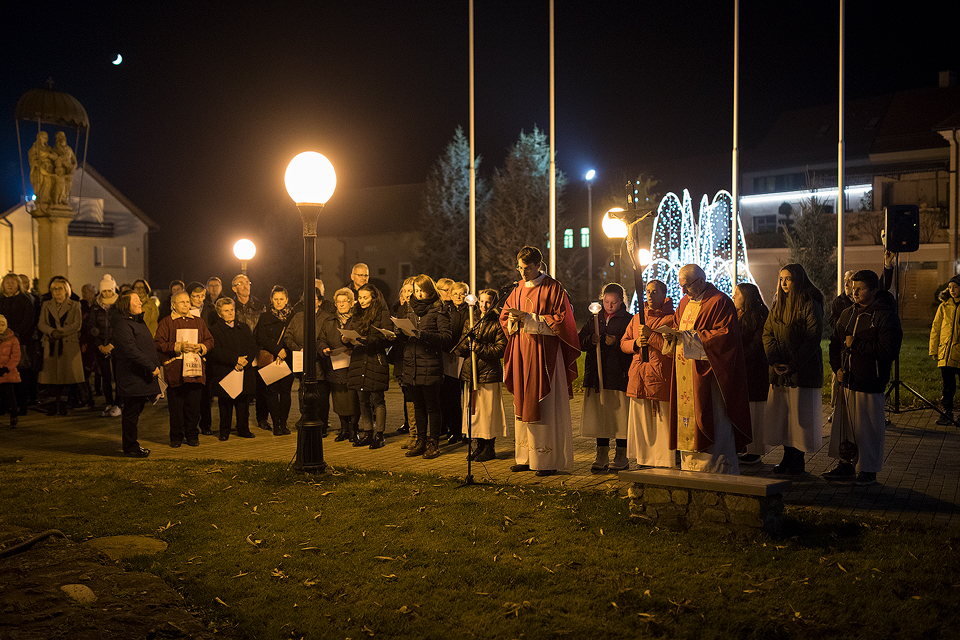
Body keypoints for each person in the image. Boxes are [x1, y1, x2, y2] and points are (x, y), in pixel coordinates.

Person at [500, 246, 580, 477]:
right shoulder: (517, 289)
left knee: (544, 405)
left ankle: (546, 459)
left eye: (527, 268)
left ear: (538, 266)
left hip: (544, 356)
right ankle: (525, 457)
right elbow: (505, 316)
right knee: (523, 403)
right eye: (520, 268)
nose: (522, 273)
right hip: (521, 354)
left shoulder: (553, 288)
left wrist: (531, 320)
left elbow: (563, 321)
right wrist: (513, 321)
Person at [668, 264, 752, 474]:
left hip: (710, 374)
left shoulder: (720, 301)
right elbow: (678, 328)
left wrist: (690, 338)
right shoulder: (684, 303)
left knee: (712, 416)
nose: (684, 291)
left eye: (687, 286)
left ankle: (718, 467)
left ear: (701, 280)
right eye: (681, 287)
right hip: (685, 370)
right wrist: (670, 336)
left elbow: (726, 337)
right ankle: (690, 465)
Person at [826, 269, 902, 486]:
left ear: (873, 290)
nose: (854, 292)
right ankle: (846, 464)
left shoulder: (885, 316)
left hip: (870, 382)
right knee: (846, 428)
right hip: (848, 381)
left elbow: (888, 352)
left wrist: (857, 344)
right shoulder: (847, 314)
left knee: (868, 430)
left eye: (859, 288)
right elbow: (835, 344)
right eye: (852, 287)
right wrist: (837, 367)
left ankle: (868, 470)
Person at [762, 264, 825, 475]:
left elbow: (812, 337)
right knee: (784, 416)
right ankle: (787, 455)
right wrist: (774, 360)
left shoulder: (809, 302)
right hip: (781, 371)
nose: (784, 283)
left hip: (802, 371)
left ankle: (798, 459)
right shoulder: (778, 304)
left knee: (800, 417)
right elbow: (768, 332)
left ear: (798, 279)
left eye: (788, 278)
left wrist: (793, 364)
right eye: (781, 279)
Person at [621, 279, 676, 469]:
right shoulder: (637, 318)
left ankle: (662, 458)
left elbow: (671, 349)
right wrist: (636, 343)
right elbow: (624, 343)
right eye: (648, 292)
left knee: (661, 421)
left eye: (655, 292)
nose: (650, 296)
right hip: (639, 374)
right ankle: (643, 458)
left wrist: (651, 336)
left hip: (659, 375)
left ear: (664, 295)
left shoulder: (671, 319)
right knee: (642, 421)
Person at [579, 283, 633, 472]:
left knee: (619, 416)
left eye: (614, 302)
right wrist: (590, 340)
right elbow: (580, 341)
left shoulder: (628, 320)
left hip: (618, 375)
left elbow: (632, 346)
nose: (609, 306)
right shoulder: (595, 319)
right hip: (597, 375)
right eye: (606, 302)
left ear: (621, 302)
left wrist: (617, 342)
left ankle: (621, 454)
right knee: (601, 416)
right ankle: (601, 454)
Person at [396, 275, 451, 458]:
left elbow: (446, 338)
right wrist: (400, 332)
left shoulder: (439, 309)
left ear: (429, 289)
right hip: (412, 364)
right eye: (416, 290)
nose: (418, 294)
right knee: (418, 406)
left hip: (430, 363)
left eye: (421, 290)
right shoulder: (409, 308)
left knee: (432, 406)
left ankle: (433, 442)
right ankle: (420, 440)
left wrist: (424, 335)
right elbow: (407, 334)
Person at [155, 291, 214, 447]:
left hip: (195, 370)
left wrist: (201, 347)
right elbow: (158, 343)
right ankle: (176, 437)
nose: (186, 304)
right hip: (175, 370)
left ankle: (192, 435)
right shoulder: (167, 322)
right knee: (176, 407)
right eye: (182, 302)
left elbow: (209, 340)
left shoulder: (199, 322)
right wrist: (176, 346)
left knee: (193, 406)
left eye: (188, 302)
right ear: (173, 305)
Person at [456, 289, 506, 462]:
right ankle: (478, 444)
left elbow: (500, 349)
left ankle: (489, 447)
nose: (484, 305)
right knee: (474, 411)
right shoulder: (471, 319)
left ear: (494, 303)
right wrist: (464, 346)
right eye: (482, 301)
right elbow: (464, 342)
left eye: (488, 302)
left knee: (487, 412)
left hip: (488, 373)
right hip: (471, 372)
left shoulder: (498, 322)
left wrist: (477, 346)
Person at [111, 291, 161, 458]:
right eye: (137, 301)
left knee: (135, 411)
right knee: (131, 412)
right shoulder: (122, 325)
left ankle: (131, 444)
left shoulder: (137, 321)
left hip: (141, 375)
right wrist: (150, 366)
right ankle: (131, 446)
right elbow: (130, 350)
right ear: (126, 305)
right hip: (133, 376)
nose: (140, 303)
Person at [345, 283, 394, 449]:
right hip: (359, 359)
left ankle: (379, 434)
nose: (362, 301)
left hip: (375, 358)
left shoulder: (382, 312)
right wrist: (344, 338)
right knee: (362, 398)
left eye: (365, 297)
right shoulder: (356, 312)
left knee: (377, 399)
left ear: (373, 298)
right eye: (360, 297)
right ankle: (367, 432)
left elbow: (385, 335)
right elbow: (349, 329)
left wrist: (368, 340)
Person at [207, 298, 258, 440]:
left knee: (243, 403)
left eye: (232, 310)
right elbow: (216, 351)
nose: (230, 313)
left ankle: (243, 429)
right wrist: (235, 360)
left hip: (244, 370)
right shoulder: (214, 330)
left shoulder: (244, 327)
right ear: (219, 313)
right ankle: (224, 431)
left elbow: (252, 347)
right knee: (225, 404)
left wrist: (244, 362)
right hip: (225, 371)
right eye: (226, 311)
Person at [285, 286, 333, 436]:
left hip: (320, 365)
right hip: (302, 363)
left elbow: (327, 338)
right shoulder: (298, 317)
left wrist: (316, 351)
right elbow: (288, 336)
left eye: (314, 299)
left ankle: (322, 426)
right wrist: (297, 348)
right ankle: (305, 422)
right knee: (303, 393)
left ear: (319, 301)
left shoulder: (326, 317)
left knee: (322, 396)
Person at [734, 283, 771, 464]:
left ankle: (755, 449)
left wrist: (740, 357)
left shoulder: (758, 315)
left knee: (755, 410)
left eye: (737, 294)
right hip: (743, 370)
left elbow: (758, 344)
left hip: (754, 370)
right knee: (746, 408)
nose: (733, 297)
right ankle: (746, 446)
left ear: (746, 297)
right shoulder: (738, 315)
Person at [38, 278, 84, 416]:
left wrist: (61, 332)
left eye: (59, 288)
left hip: (68, 344)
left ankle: (63, 403)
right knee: (51, 376)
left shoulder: (75, 305)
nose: (56, 291)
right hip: (51, 343)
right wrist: (52, 332)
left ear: (66, 290)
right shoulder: (46, 305)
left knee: (67, 375)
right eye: (54, 289)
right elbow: (41, 323)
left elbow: (77, 324)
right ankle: (52, 404)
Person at [322, 288, 360, 443]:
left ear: (351, 303)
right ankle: (343, 428)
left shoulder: (357, 320)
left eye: (345, 301)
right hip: (335, 364)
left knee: (353, 398)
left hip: (354, 364)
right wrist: (323, 348)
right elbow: (321, 338)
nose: (341, 304)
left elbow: (363, 338)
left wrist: (352, 344)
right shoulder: (329, 321)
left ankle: (354, 429)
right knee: (339, 398)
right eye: (339, 301)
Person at [255, 286, 294, 436]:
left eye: (281, 299)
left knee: (285, 393)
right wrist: (277, 350)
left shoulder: (292, 316)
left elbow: (295, 335)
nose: (278, 302)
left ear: (286, 300)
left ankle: (283, 423)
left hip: (287, 358)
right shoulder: (265, 317)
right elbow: (261, 337)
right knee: (271, 392)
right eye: (275, 299)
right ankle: (276, 423)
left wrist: (285, 351)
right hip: (271, 358)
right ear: (271, 300)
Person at [86, 275, 122, 418]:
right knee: (105, 376)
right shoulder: (96, 306)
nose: (107, 293)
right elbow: (91, 326)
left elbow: (121, 327)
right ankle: (108, 402)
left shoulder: (119, 306)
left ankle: (118, 404)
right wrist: (100, 345)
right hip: (100, 346)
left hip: (116, 346)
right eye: (104, 291)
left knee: (118, 376)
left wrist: (112, 344)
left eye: (109, 291)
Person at [0, 273, 35, 417]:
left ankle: (22, 405)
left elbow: (29, 319)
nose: (9, 285)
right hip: (2, 341)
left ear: (18, 285)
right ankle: (5, 405)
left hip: (20, 341)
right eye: (7, 282)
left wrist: (16, 333)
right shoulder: (0, 299)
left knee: (20, 374)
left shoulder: (25, 300)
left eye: (13, 282)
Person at [929, 274, 960, 426]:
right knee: (948, 386)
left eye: (955, 287)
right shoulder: (944, 306)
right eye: (950, 287)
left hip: (958, 353)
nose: (952, 290)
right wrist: (934, 350)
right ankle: (947, 413)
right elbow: (936, 328)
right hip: (946, 353)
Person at [441, 281, 468, 444]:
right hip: (447, 355)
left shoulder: (470, 311)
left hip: (463, 355)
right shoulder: (446, 310)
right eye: (455, 293)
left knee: (464, 397)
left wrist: (459, 350)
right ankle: (453, 428)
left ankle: (464, 430)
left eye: (462, 293)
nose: (458, 297)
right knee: (450, 395)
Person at [392, 277, 415, 440]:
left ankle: (417, 431)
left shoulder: (417, 309)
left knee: (414, 394)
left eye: (410, 291)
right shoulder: (400, 309)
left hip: (414, 354)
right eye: (404, 291)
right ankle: (410, 426)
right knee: (406, 392)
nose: (407, 294)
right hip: (402, 354)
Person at [0, 314, 21, 428]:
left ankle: (13, 415)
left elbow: (16, 356)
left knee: (10, 395)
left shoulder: (13, 339)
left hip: (7, 372)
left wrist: (7, 368)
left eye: (2, 324)